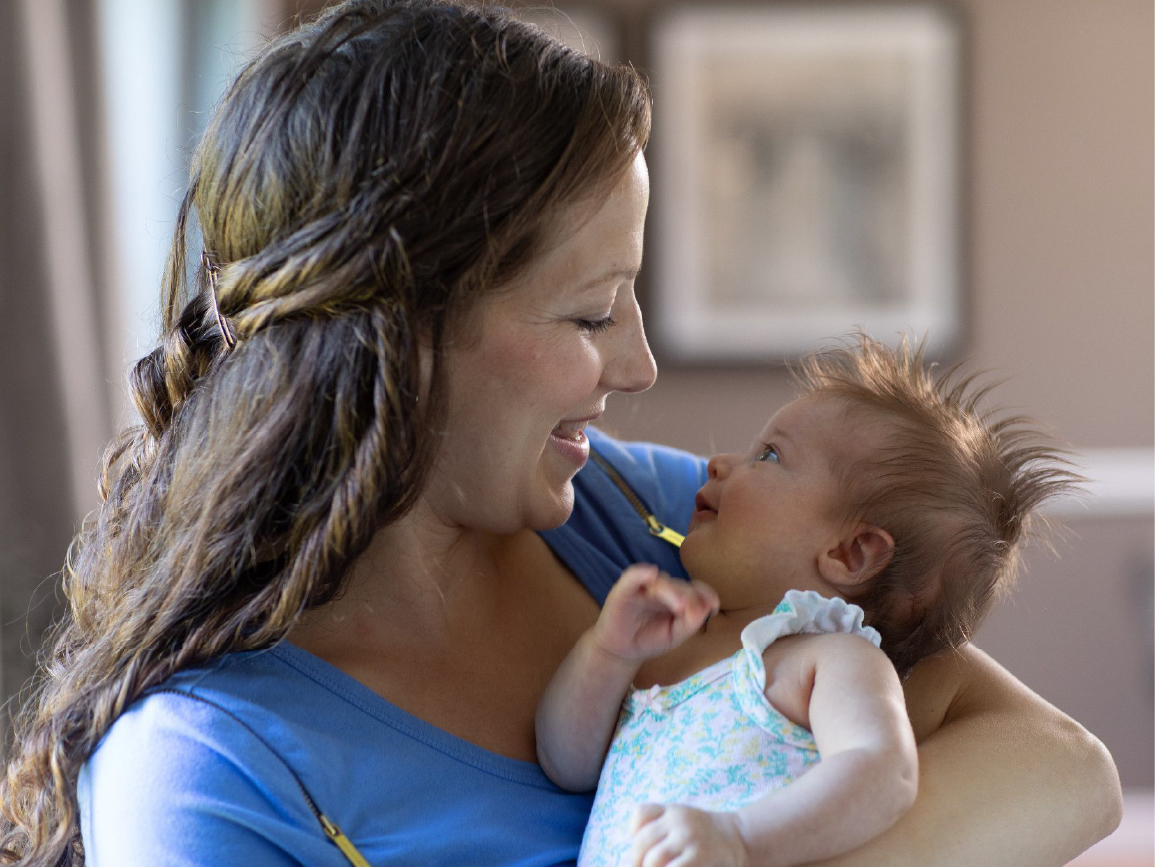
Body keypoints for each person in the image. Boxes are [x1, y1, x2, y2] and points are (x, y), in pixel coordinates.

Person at [0, 1, 1120, 865]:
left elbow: (1062, 769)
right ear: (403, 335)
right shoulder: (207, 772)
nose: (636, 369)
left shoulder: (642, 522)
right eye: (590, 313)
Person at [537, 335, 1081, 867]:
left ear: (850, 553)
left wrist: (740, 840)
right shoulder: (666, 651)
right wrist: (607, 653)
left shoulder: (829, 659)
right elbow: (568, 765)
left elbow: (881, 774)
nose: (718, 463)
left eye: (769, 456)